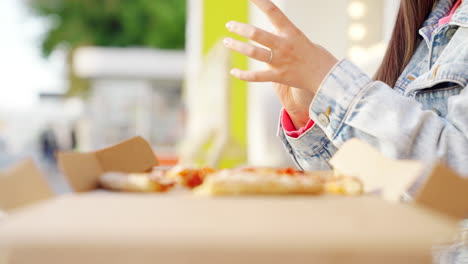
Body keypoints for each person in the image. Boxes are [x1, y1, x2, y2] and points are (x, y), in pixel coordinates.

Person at [224, 0, 468, 175]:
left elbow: (458, 177)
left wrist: (330, 83)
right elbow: (377, 181)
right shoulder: (430, 19)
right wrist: (309, 114)